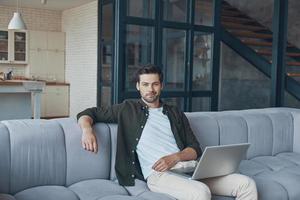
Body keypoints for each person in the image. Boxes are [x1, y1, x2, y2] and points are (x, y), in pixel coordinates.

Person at [77, 64, 257, 200]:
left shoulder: (174, 112)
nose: (150, 89)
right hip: (158, 175)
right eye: (145, 84)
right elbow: (88, 113)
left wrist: (176, 157)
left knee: (246, 184)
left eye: (155, 84)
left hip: (189, 168)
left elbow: (195, 148)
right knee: (201, 192)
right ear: (138, 86)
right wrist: (87, 130)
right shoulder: (127, 109)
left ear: (161, 86)